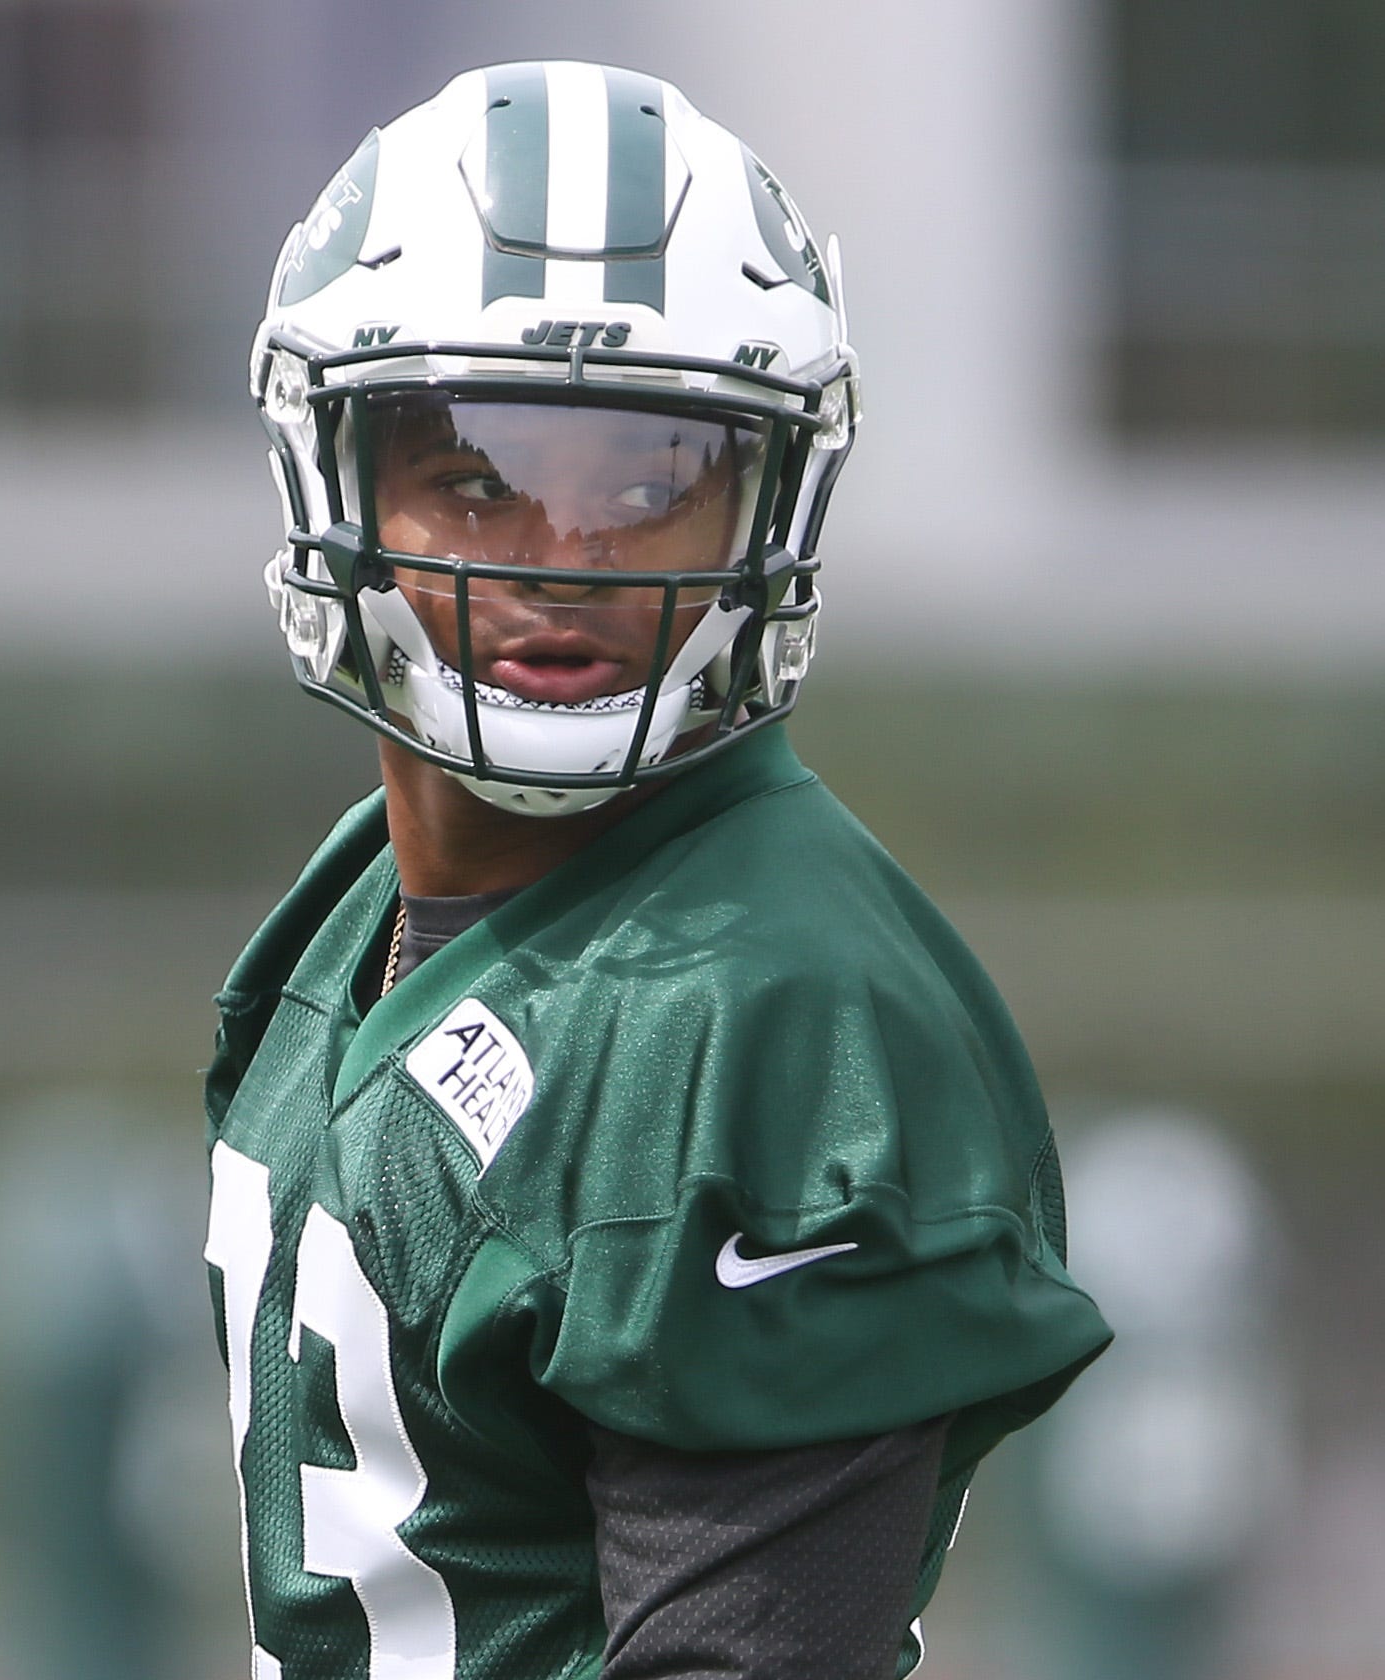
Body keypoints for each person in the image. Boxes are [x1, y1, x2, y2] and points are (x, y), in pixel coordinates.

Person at [204, 60, 1112, 1680]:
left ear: (765, 508)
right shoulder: (359, 903)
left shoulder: (764, 1012)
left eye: (644, 487)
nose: (567, 563)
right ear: (329, 471)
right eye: (478, 476)